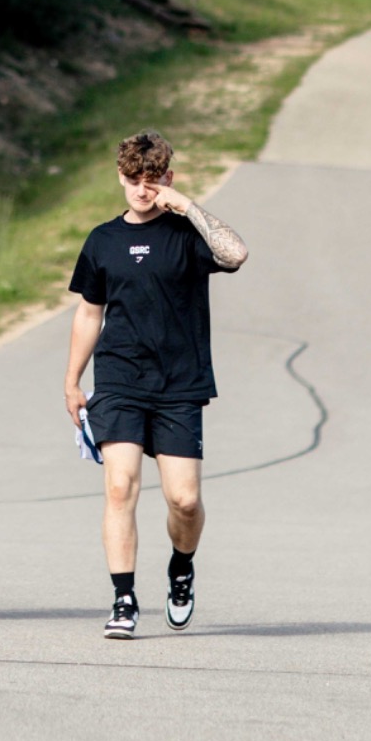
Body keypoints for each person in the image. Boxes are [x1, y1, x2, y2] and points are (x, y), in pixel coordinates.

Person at [64, 129, 248, 639]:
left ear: (167, 177)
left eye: (152, 180)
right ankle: (123, 599)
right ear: (120, 178)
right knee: (119, 485)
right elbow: (89, 312)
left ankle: (181, 568)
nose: (142, 190)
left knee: (183, 500)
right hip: (119, 377)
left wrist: (185, 205)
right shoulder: (102, 240)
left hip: (179, 383)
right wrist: (72, 379)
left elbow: (235, 253)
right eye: (133, 180)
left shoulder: (186, 234)